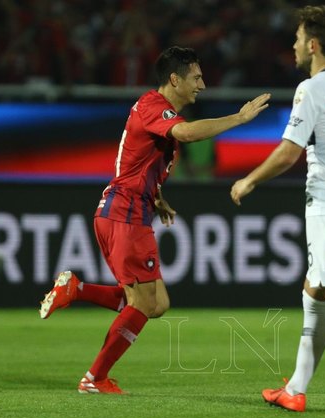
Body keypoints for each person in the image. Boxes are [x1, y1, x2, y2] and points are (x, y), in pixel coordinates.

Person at [39, 46, 271, 394]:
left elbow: (137, 163)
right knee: (145, 303)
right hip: (125, 214)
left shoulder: (155, 113)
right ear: (174, 79)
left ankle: (77, 290)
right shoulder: (153, 106)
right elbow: (188, 134)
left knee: (157, 303)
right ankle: (94, 378)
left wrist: (158, 199)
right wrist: (237, 119)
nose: (202, 85)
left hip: (127, 211)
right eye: (196, 77)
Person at [230, 5, 325, 417]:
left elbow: (288, 153)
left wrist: (248, 180)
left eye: (299, 39)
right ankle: (295, 389)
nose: (294, 45)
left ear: (314, 45)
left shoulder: (312, 89)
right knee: (314, 294)